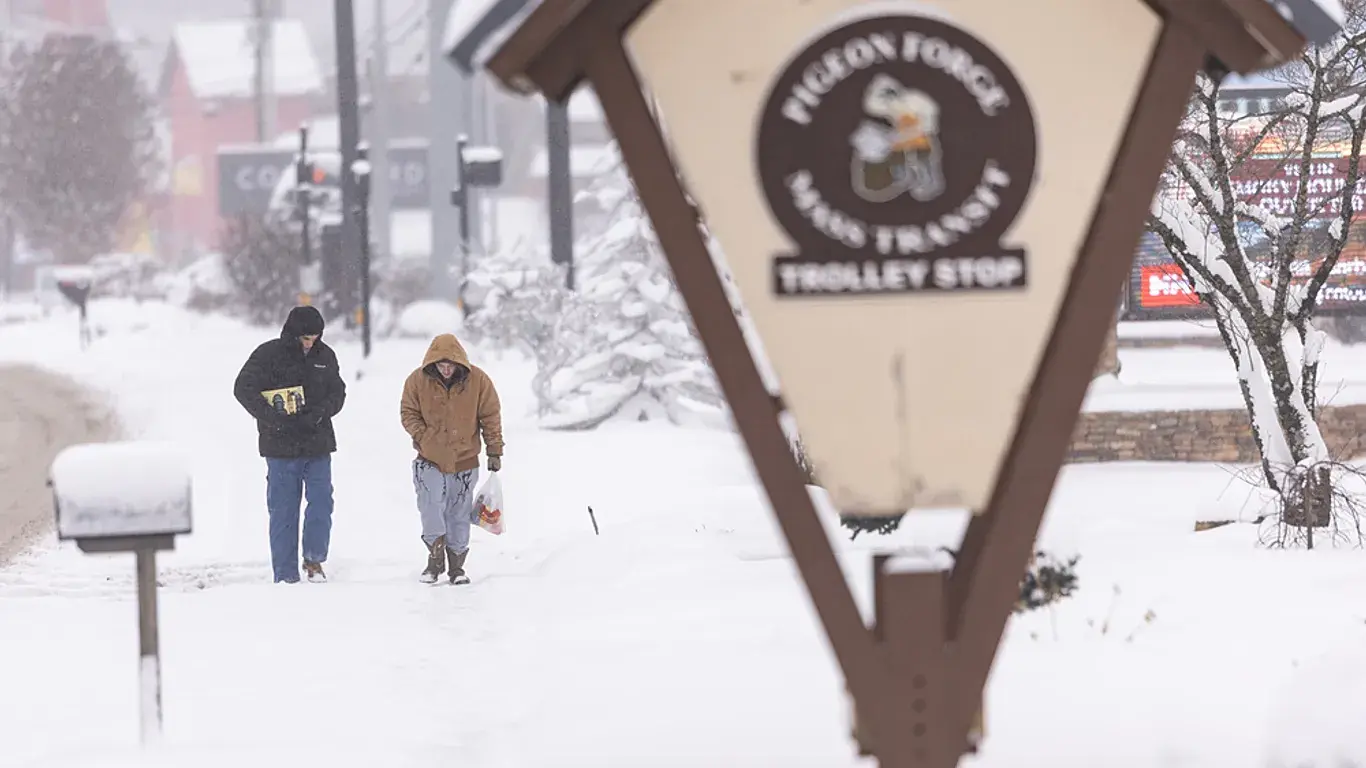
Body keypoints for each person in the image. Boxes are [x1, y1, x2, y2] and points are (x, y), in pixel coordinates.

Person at [233, 305, 347, 584]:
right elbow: (242, 388)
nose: (311, 343)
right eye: (306, 338)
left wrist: (320, 412)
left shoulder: (326, 356)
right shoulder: (267, 354)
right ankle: (284, 575)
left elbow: (338, 392)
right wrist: (271, 417)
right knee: (283, 511)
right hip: (279, 446)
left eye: (316, 337)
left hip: (318, 443)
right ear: (293, 334)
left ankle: (314, 560)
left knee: (321, 503)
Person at [400, 333, 503, 585]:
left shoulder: (478, 381)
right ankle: (434, 560)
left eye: (450, 365)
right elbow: (408, 412)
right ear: (432, 363)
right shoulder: (416, 380)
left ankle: (457, 566)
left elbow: (490, 416)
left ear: (459, 363)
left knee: (459, 513)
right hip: (429, 458)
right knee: (431, 507)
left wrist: (494, 449)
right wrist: (423, 436)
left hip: (465, 459)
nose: (446, 370)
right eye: (440, 365)